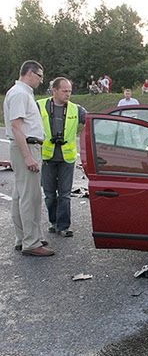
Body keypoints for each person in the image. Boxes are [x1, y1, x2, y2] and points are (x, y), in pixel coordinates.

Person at [3, 60, 54, 256]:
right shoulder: (20, 94)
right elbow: (16, 126)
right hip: (27, 147)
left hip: (26, 146)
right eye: (40, 76)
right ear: (30, 73)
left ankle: (23, 237)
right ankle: (31, 243)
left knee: (20, 194)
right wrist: (28, 157)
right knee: (31, 197)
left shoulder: (20, 93)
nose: (41, 81)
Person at [37, 77, 86, 238]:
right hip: (47, 157)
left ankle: (64, 226)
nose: (68, 94)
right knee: (50, 195)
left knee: (64, 195)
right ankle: (54, 222)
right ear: (55, 91)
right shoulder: (40, 106)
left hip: (67, 158)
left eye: (70, 91)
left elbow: (92, 122)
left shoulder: (76, 109)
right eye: (65, 91)